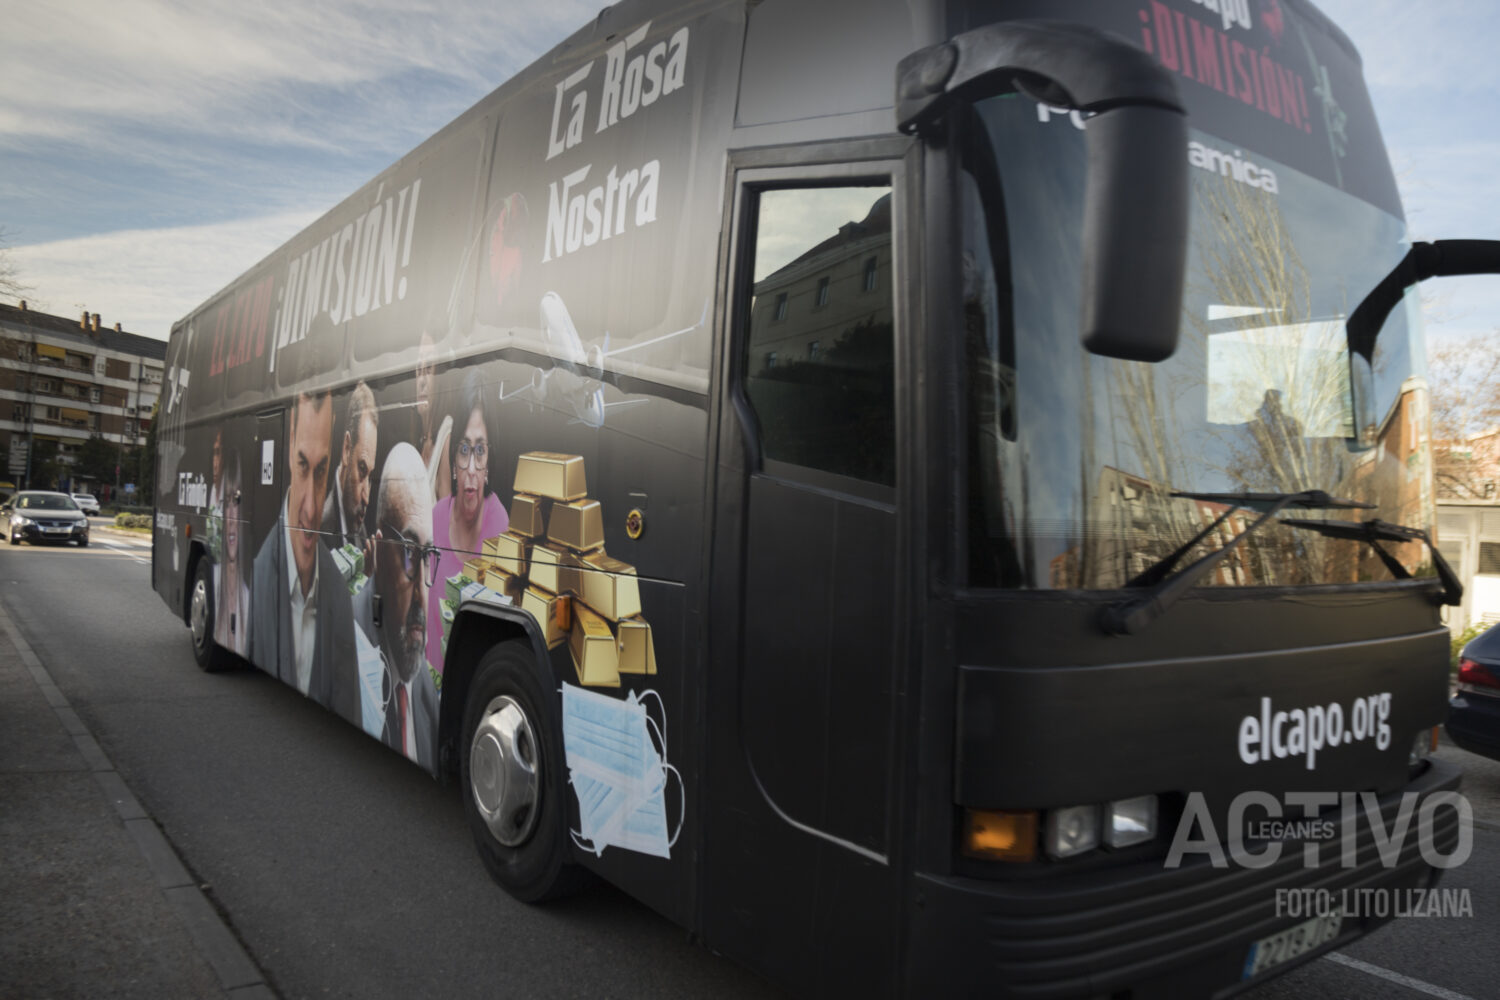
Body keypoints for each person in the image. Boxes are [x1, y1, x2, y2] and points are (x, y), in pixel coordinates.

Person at [251, 389, 359, 725]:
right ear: (289, 438)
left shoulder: (339, 596)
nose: (312, 509)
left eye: (322, 471)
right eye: (302, 466)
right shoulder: (255, 576)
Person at [354, 443, 438, 767]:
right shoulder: (348, 648)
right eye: (409, 552)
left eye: (428, 556)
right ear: (377, 552)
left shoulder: (426, 689)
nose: (421, 592)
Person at [425, 368, 508, 672]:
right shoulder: (434, 520)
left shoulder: (500, 525)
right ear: (453, 462)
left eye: (480, 450)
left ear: (489, 462)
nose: (471, 467)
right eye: (463, 450)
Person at [321, 380, 379, 561]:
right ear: (346, 449)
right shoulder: (320, 532)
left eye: (370, 477)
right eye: (362, 470)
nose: (366, 497)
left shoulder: (357, 524)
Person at [213, 451, 251, 658]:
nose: (232, 517)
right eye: (227, 501)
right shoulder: (214, 577)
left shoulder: (249, 599)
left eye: (237, 500)